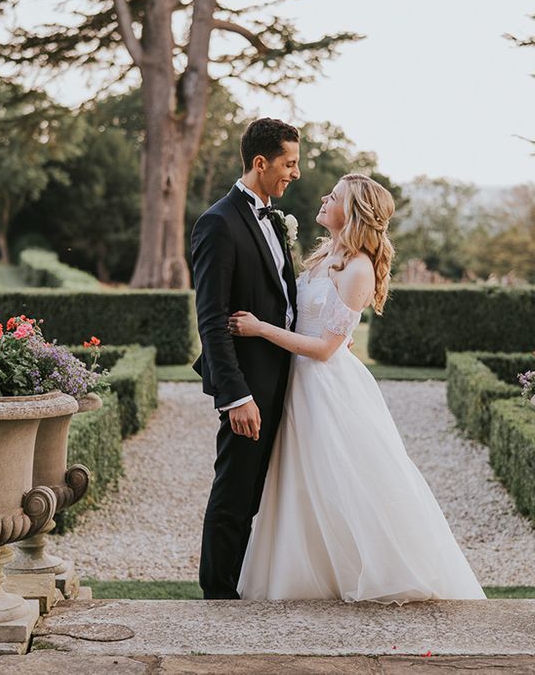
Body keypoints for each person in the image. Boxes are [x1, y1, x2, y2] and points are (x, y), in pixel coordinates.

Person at [229, 173, 486, 603]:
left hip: (325, 387)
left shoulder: (359, 268)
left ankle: (378, 570)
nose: (325, 198)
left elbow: (326, 349)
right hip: (300, 384)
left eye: (336, 196)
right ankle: (304, 577)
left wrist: (260, 329)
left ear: (354, 212)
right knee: (303, 482)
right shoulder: (325, 255)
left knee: (343, 483)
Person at [191, 118, 300, 599]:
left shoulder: (273, 217)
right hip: (249, 386)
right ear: (261, 162)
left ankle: (250, 584)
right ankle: (217, 597)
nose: (295, 172)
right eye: (289, 163)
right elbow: (212, 320)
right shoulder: (218, 222)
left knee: (263, 494)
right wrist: (235, 395)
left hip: (286, 379)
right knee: (235, 493)